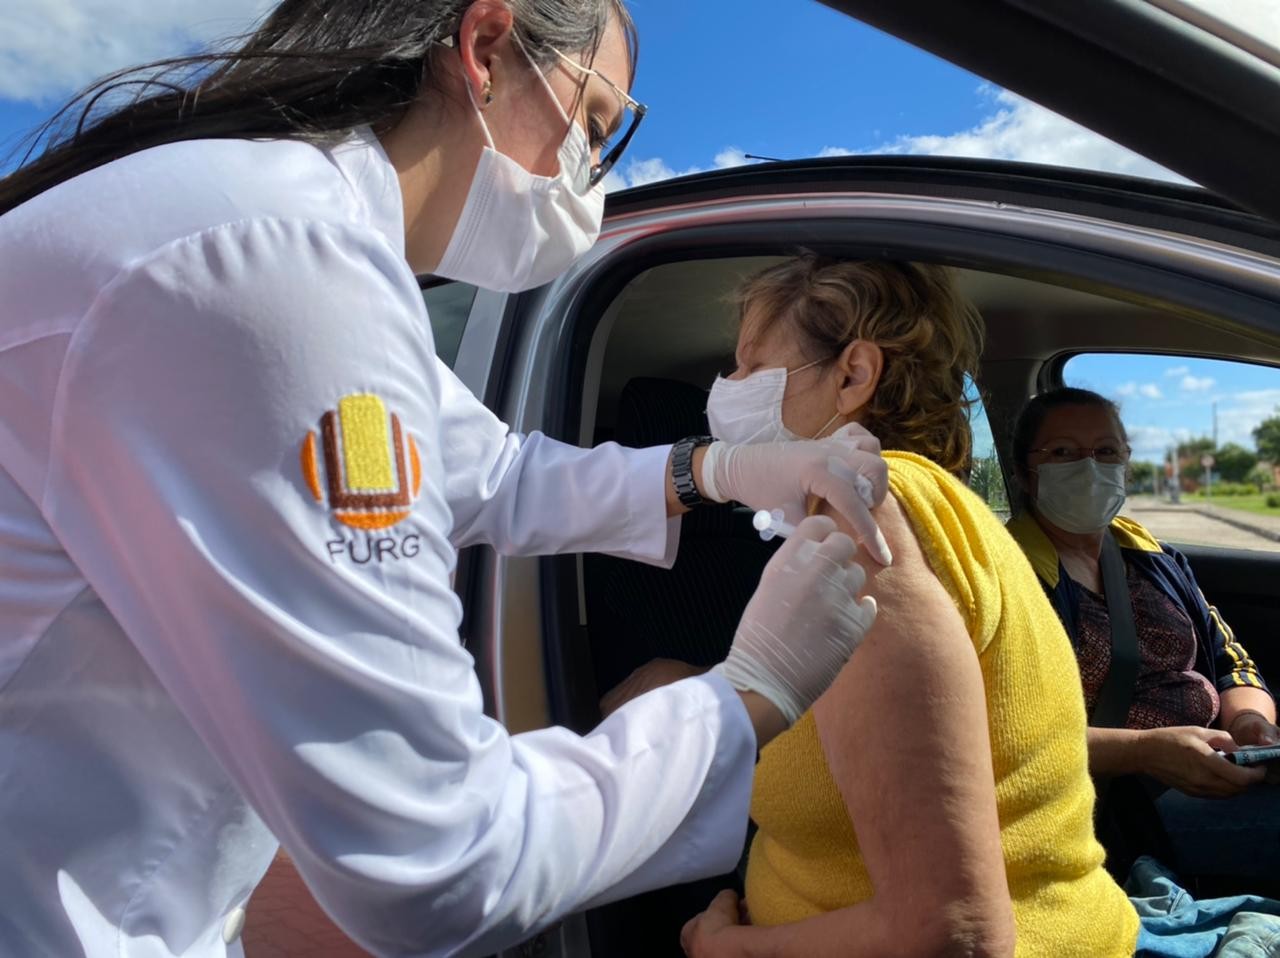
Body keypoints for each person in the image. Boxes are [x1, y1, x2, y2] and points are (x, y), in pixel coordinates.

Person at [0, 4, 891, 956]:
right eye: (594, 126)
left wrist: (713, 470)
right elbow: (438, 862)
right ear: (486, 49)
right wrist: (747, 694)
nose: (591, 177)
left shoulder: (278, 230)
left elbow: (496, 472)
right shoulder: (276, 261)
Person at [611, 254, 1139, 958]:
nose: (725, 389)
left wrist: (724, 948)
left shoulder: (861, 521)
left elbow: (950, 934)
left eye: (749, 365)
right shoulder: (935, 506)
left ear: (853, 375)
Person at [1006, 387, 1280, 883]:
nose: (1089, 467)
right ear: (1026, 472)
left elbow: (1230, 660)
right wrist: (1144, 750)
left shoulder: (1153, 557)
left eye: (1106, 451)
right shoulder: (1006, 575)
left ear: (1126, 464)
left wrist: (1249, 725)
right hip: (1113, 806)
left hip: (1214, 765)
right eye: (1063, 452)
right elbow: (1002, 735)